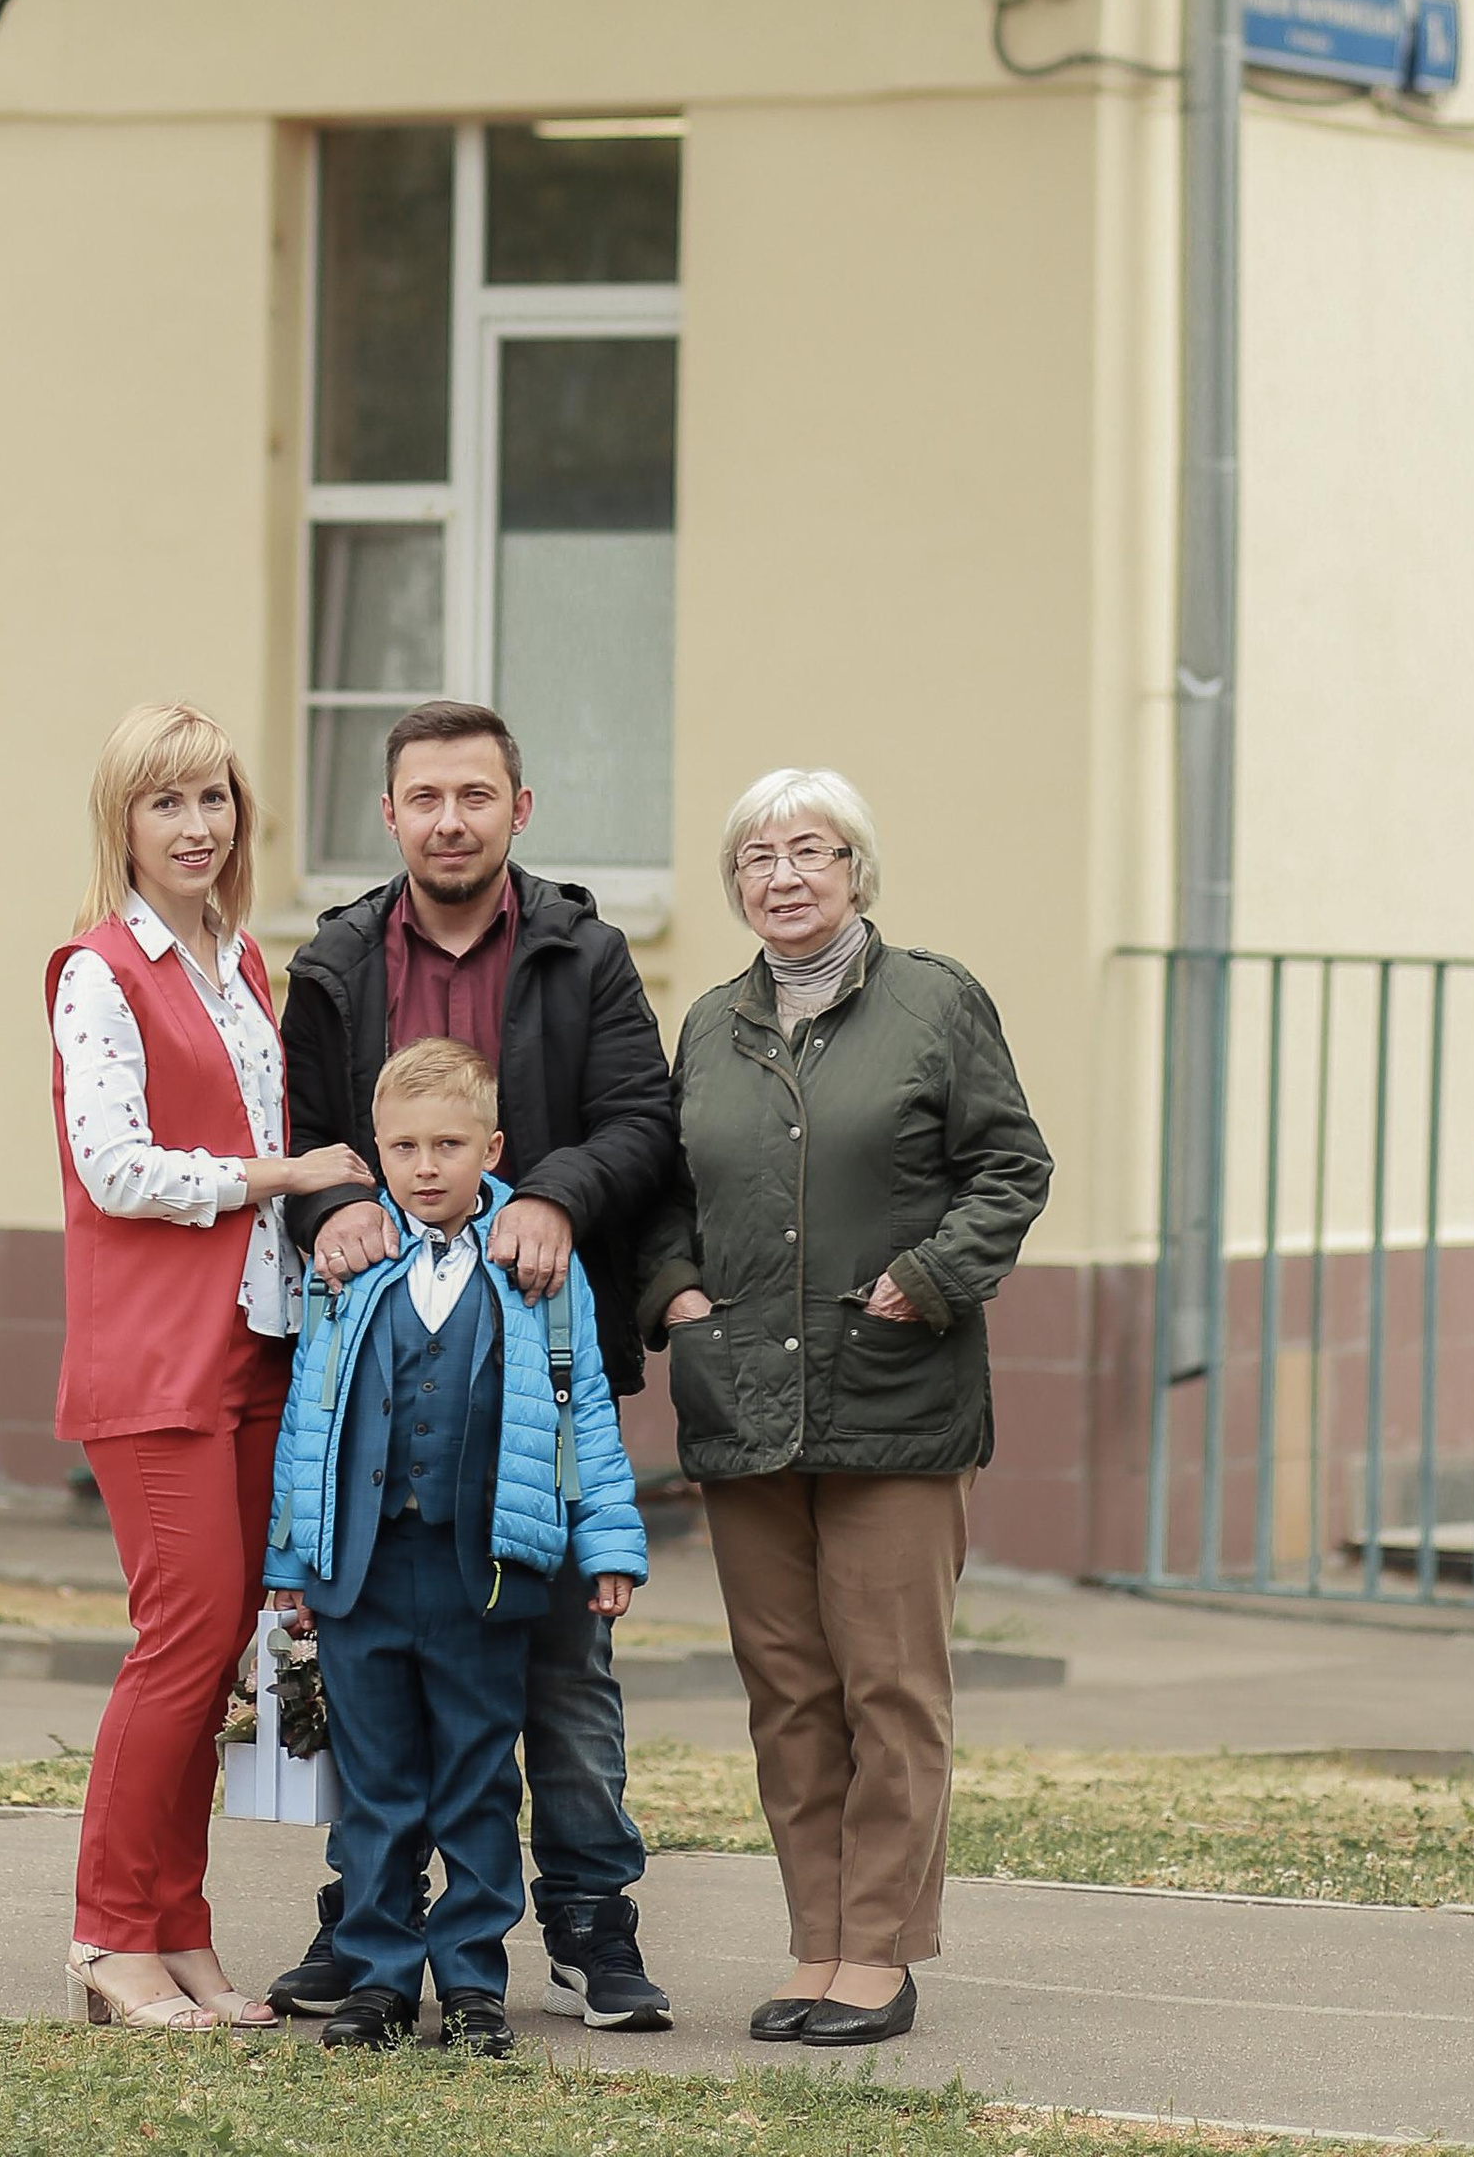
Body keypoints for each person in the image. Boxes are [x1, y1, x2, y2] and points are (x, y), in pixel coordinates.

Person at [271, 695, 680, 2031]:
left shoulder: (583, 952)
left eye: (476, 796)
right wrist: (327, 1204)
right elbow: (306, 1132)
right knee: (378, 1698)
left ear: (520, 809)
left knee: (559, 1680)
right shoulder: (335, 962)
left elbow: (641, 1119)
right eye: (426, 797)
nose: (452, 819)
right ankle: (369, 1928)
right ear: (387, 815)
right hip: (386, 1353)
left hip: (539, 1371)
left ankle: (587, 1918)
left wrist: (553, 1192)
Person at [636, 768, 1051, 2048]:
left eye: (810, 850)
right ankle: (811, 1942)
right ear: (735, 887)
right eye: (756, 858)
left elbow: (1009, 1166)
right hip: (746, 1403)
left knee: (889, 1687)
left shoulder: (936, 1001)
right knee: (787, 1692)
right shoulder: (709, 1023)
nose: (783, 876)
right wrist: (676, 1295)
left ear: (856, 871)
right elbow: (667, 1197)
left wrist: (928, 1278)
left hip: (895, 1397)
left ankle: (877, 1951)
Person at [47, 700, 377, 2033]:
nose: (195, 826)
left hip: (254, 1346)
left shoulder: (240, 964)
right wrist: (280, 1174)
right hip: (154, 1358)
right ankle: (107, 1938)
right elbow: (114, 1165)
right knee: (177, 1645)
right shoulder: (95, 969)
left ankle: (176, 1929)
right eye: (165, 802)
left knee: (220, 1650)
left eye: (215, 800)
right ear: (122, 822)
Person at [263, 1038, 650, 2057]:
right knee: (378, 1785)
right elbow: (310, 1419)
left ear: (493, 1146)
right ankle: (381, 1977)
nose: (426, 1166)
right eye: (402, 1147)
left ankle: (474, 1983)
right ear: (376, 1158)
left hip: (485, 1576)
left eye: (447, 1144)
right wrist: (291, 1564)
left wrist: (606, 1541)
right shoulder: (348, 1268)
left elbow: (584, 1421)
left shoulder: (539, 1272)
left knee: (479, 1782)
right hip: (363, 1572)